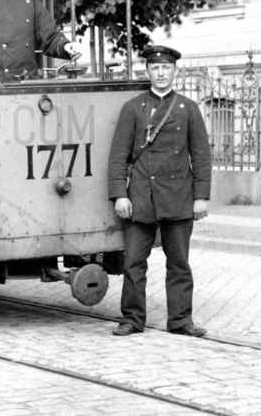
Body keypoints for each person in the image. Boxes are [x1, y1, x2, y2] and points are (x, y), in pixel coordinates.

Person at [107, 45, 211, 337]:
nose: (161, 73)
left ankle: (180, 320)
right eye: (155, 68)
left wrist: (201, 196)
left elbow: (201, 155)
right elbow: (118, 156)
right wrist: (120, 194)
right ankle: (132, 319)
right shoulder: (133, 108)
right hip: (141, 197)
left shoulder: (188, 108)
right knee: (133, 263)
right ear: (147, 72)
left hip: (179, 197)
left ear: (175, 72)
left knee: (179, 263)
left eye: (166, 68)